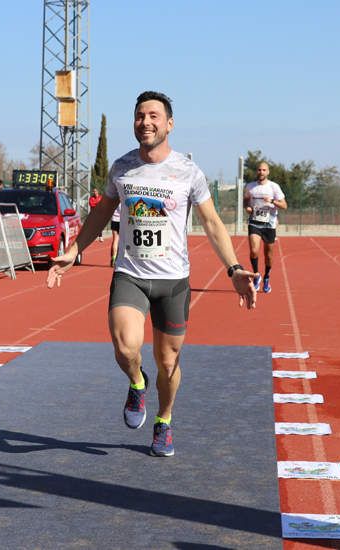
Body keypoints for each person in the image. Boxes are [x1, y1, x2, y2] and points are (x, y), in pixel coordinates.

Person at [47, 91, 256, 457]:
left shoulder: (188, 172)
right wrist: (74, 249)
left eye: (154, 116)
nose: (146, 122)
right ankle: (136, 382)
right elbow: (101, 214)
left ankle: (164, 420)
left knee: (169, 362)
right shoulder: (122, 167)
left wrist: (234, 268)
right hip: (130, 273)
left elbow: (211, 222)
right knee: (126, 346)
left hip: (173, 281)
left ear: (169, 124)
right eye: (140, 115)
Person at [244, 162, 287, 293]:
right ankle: (257, 275)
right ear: (256, 171)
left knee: (268, 256)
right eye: (259, 170)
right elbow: (246, 200)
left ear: (268, 172)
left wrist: (272, 201)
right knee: (254, 250)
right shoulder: (250, 187)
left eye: (264, 170)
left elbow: (284, 205)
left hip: (269, 224)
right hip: (255, 222)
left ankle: (267, 277)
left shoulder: (274, 187)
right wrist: (247, 207)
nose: (261, 172)